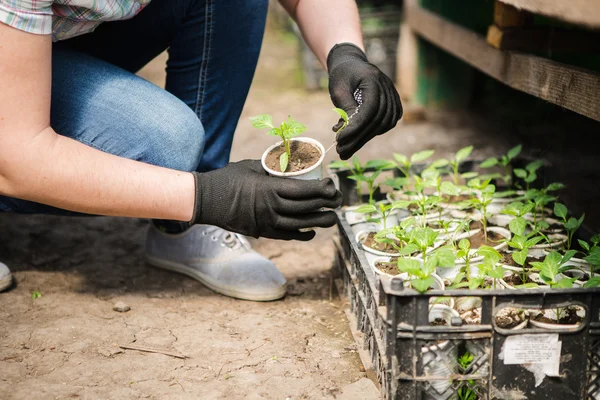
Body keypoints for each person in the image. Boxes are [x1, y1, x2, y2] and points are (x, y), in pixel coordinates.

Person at [0, 0, 403, 300]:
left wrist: (345, 51)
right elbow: (19, 156)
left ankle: (183, 229)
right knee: (166, 144)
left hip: (47, 38)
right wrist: (208, 196)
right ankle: (189, 200)